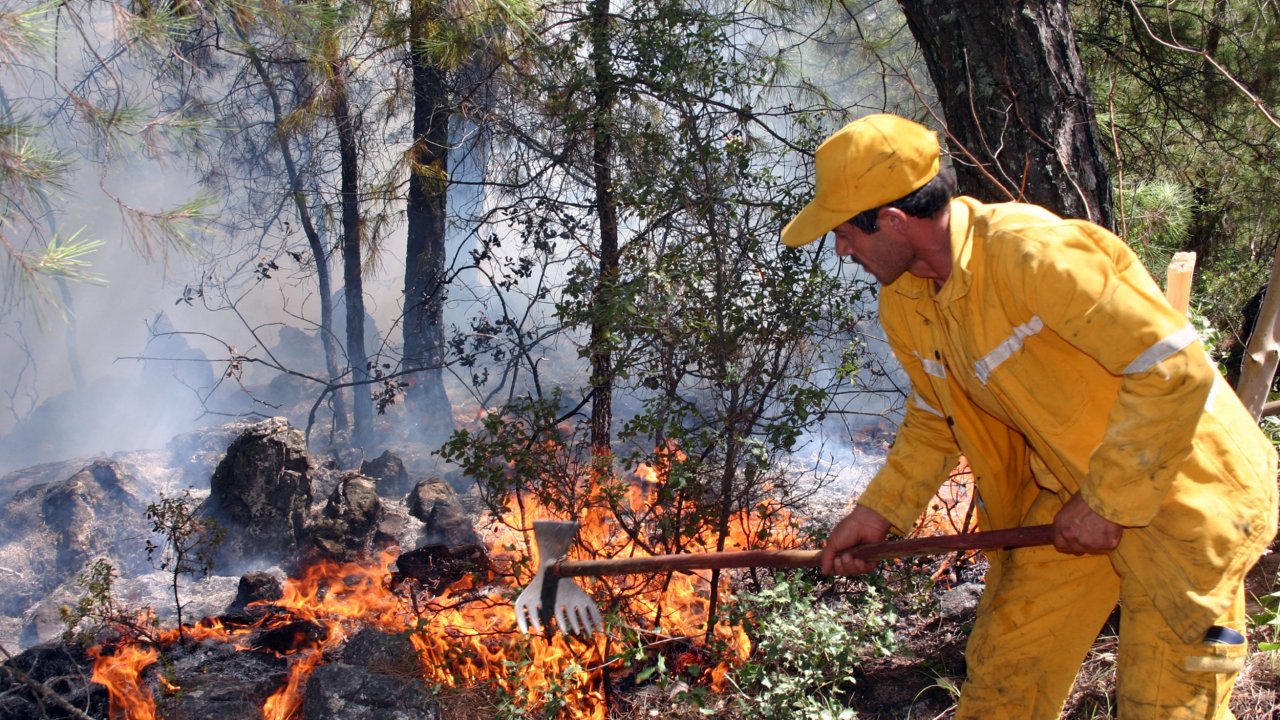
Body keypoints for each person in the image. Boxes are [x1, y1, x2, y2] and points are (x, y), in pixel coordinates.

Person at [782, 113, 1278, 719]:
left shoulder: (1032, 254)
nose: (840, 248)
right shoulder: (906, 300)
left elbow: (1174, 369)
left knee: (1165, 704)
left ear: (892, 220)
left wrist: (1106, 502)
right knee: (1004, 678)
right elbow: (937, 415)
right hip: (1075, 495)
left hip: (1190, 497)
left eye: (844, 233)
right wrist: (878, 511)